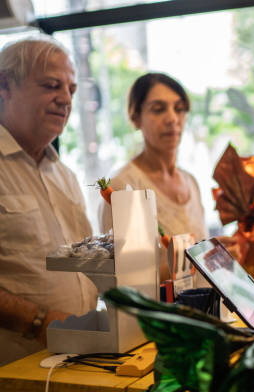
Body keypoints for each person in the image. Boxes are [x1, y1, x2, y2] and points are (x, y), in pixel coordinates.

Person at [0, 38, 98, 366]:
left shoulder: (66, 176)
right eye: (51, 86)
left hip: (77, 362)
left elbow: (86, 262)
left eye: (71, 89)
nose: (66, 99)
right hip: (14, 375)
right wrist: (39, 321)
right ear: (4, 86)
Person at [99, 73, 237, 282]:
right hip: (157, 315)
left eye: (179, 109)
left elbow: (200, 266)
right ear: (135, 117)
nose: (172, 118)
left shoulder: (191, 182)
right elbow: (128, 280)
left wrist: (216, 254)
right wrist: (198, 260)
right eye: (158, 109)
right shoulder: (122, 187)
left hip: (204, 312)